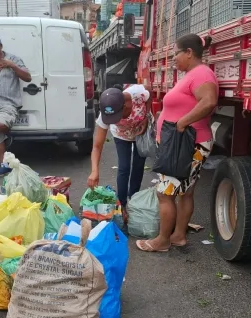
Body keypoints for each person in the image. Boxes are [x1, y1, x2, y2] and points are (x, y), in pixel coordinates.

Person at [136, 34, 218, 252]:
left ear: (189, 53)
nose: (173, 59)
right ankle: (178, 236)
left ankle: (162, 240)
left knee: (165, 193)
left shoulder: (202, 73)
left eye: (176, 54)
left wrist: (182, 123)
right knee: (185, 192)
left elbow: (209, 101)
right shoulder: (193, 74)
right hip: (186, 143)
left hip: (188, 144)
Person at [87, 84, 152, 220]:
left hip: (140, 133)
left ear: (125, 106)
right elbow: (97, 146)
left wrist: (146, 116)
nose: (113, 121)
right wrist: (94, 171)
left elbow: (149, 94)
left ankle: (133, 200)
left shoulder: (137, 94)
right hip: (121, 136)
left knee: (138, 166)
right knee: (124, 167)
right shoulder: (105, 115)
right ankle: (122, 205)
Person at [0, 33, 32, 176]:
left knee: (0, 124)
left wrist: (12, 66)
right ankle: (5, 166)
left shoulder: (13, 59)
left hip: (8, 103)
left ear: (0, 46)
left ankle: (8, 135)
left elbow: (27, 77)